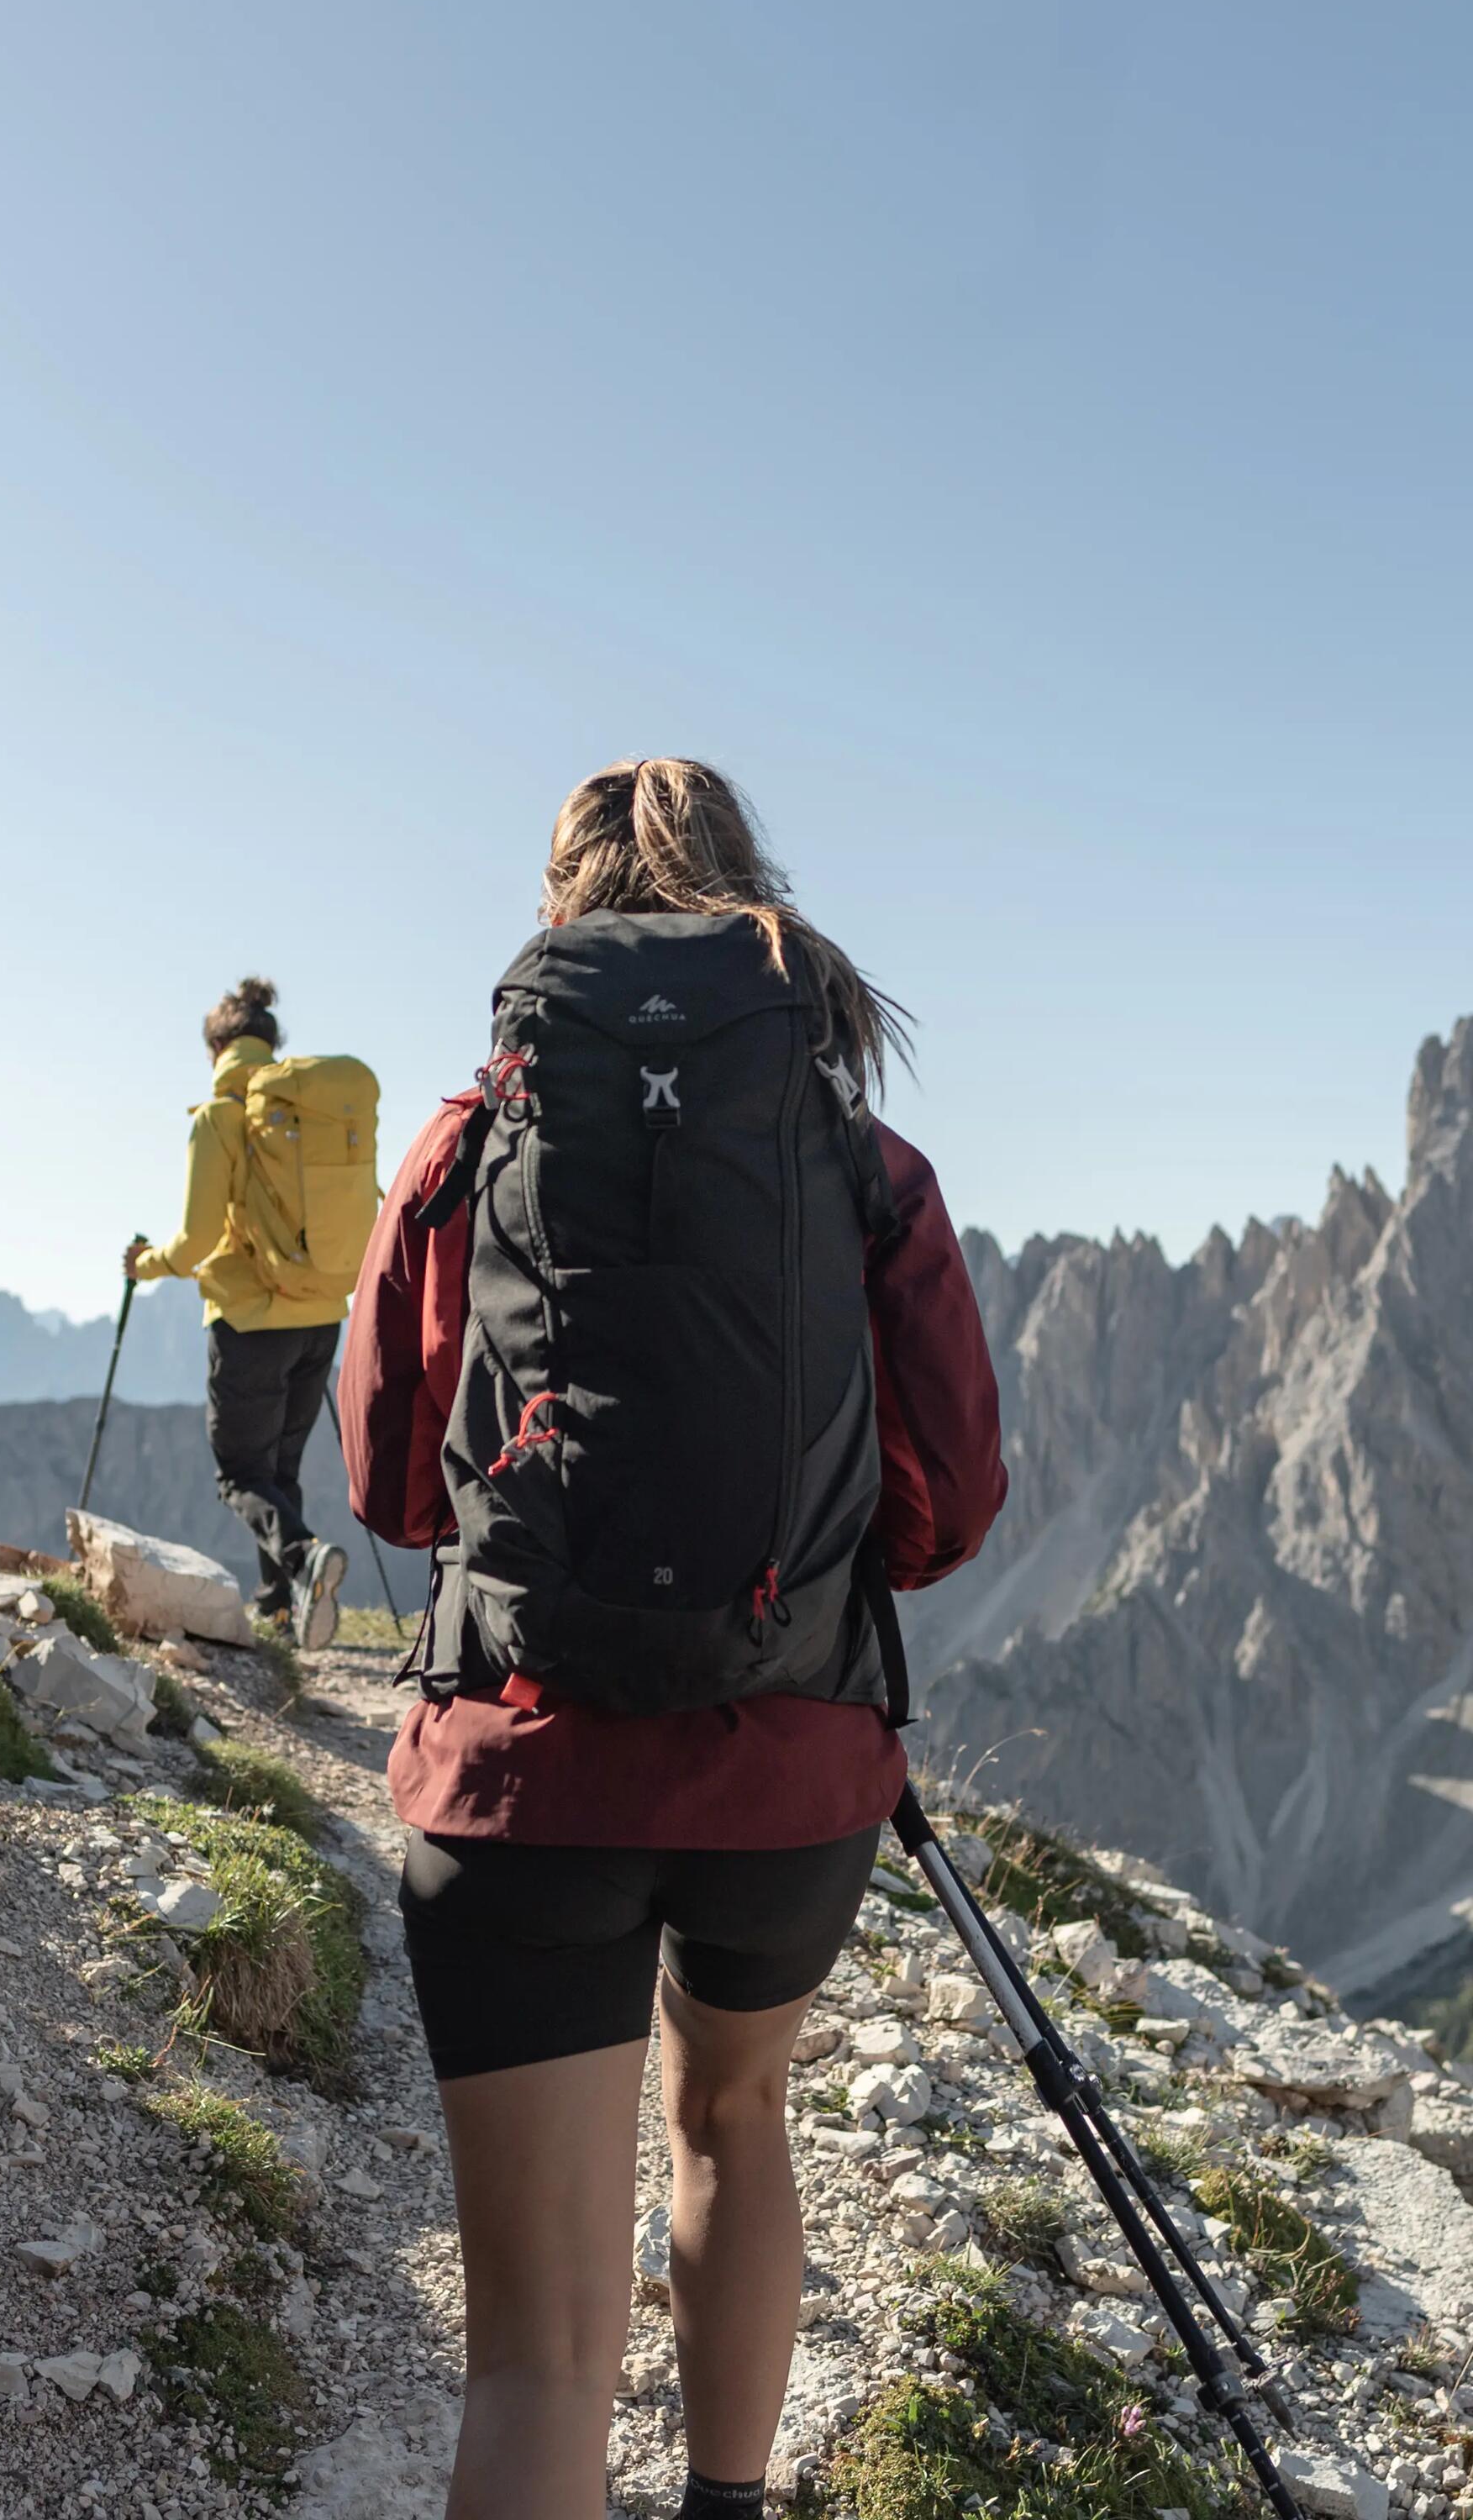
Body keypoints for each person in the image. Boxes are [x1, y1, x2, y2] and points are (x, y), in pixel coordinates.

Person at [340, 761, 1007, 2520]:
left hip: (520, 1778)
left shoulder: (469, 1144)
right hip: (789, 1778)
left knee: (536, 2360)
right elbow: (948, 1512)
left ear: (560, 912)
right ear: (753, 899)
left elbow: (391, 1482)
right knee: (735, 2124)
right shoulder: (859, 1159)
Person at [125, 976, 363, 1650]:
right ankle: (279, 1607)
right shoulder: (306, 1114)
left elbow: (198, 1240)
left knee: (239, 1473)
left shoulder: (220, 1118)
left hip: (253, 1319)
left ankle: (303, 1560)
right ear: (269, 1043)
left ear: (216, 1050)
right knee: (280, 1469)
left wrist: (146, 1264)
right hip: (321, 1317)